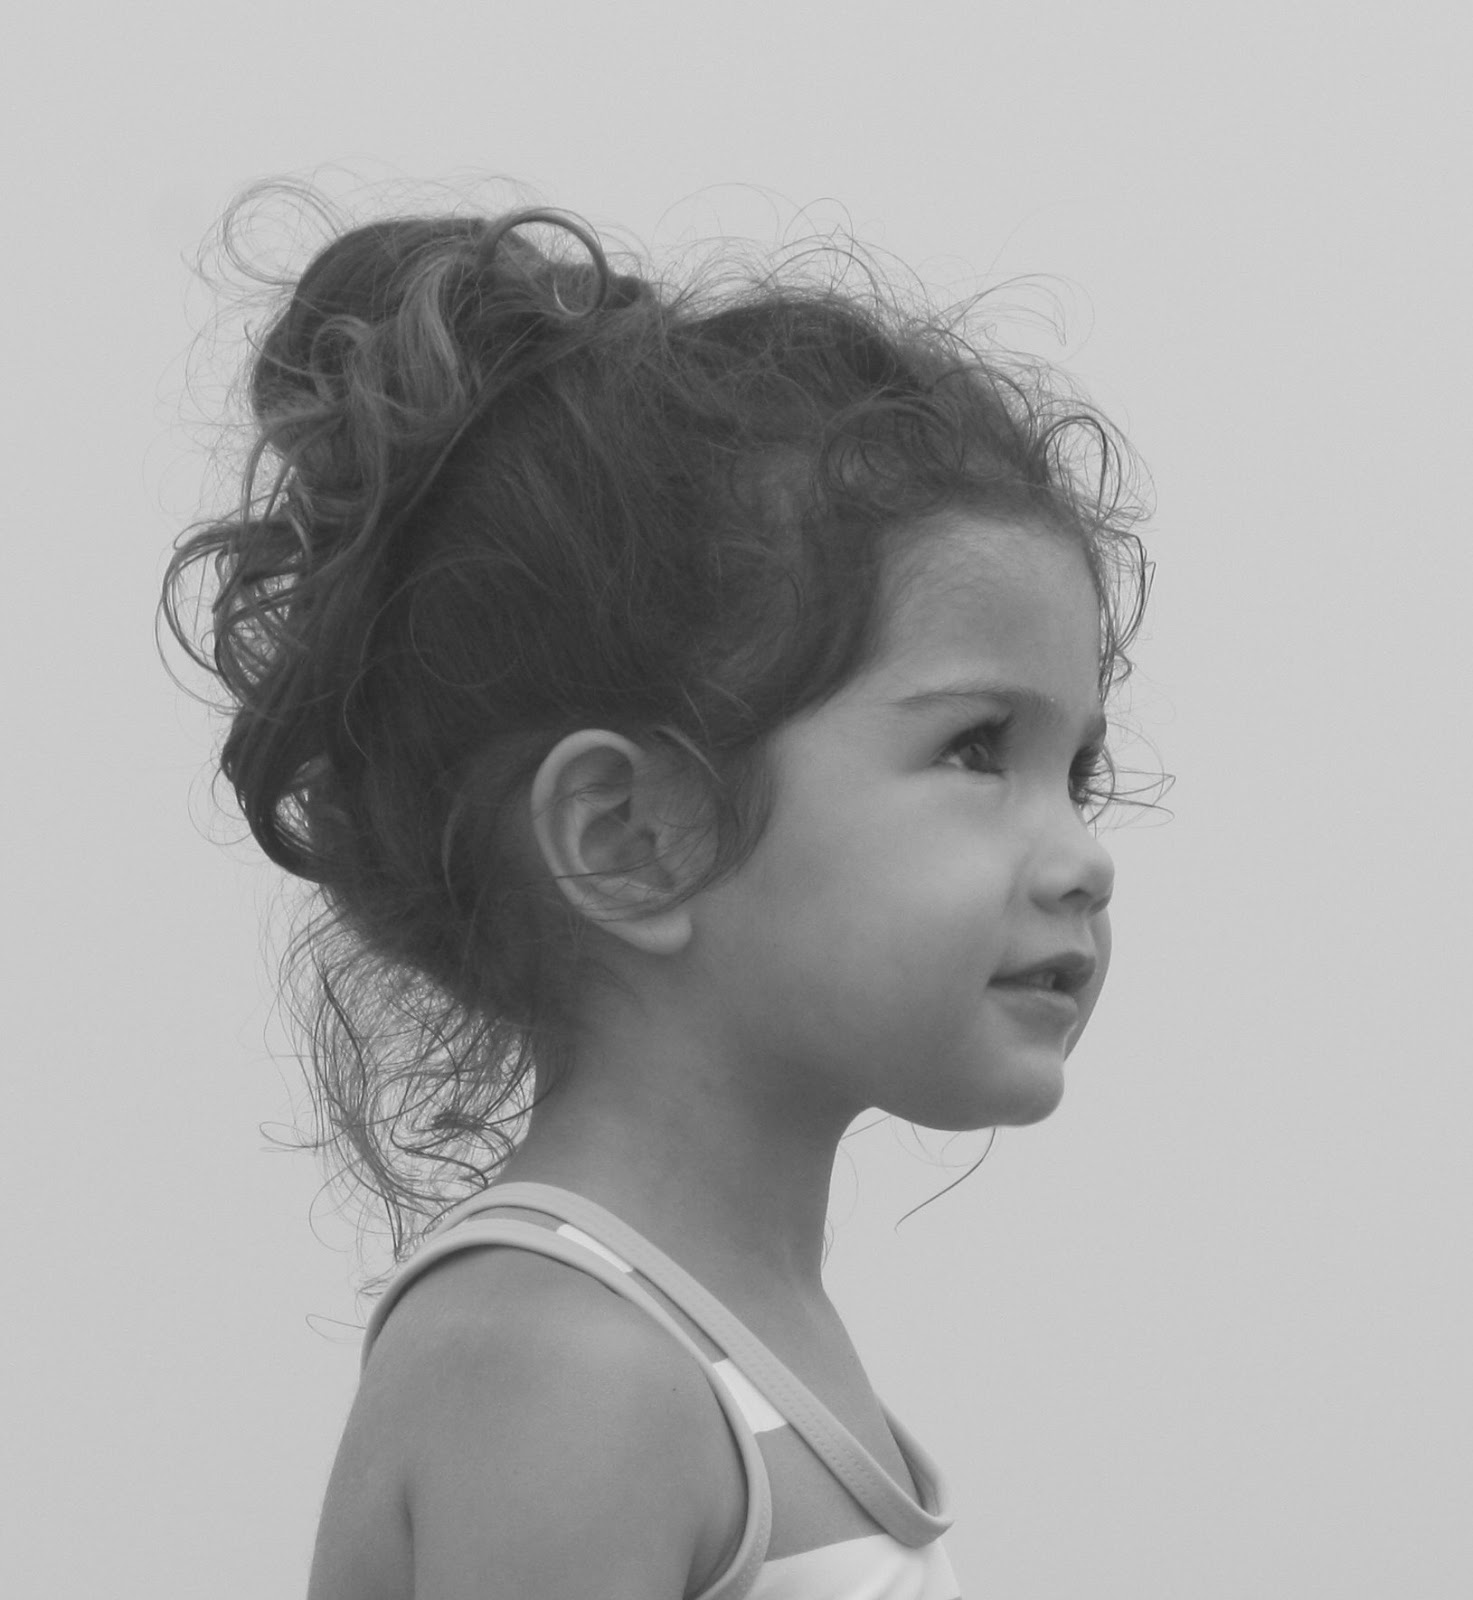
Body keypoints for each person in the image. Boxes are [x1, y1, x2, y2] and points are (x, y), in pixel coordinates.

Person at [163, 192, 1150, 1600]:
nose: (1081, 857)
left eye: (1080, 773)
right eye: (976, 749)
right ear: (629, 839)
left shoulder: (712, 1340)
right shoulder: (569, 1368)